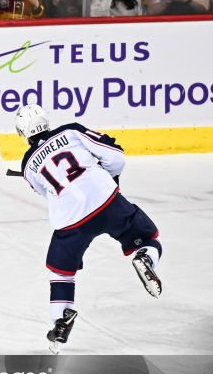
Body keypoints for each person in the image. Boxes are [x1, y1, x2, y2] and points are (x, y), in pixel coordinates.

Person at [12, 105, 162, 352]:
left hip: (71, 221)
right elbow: (116, 156)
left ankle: (60, 323)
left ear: (22, 132)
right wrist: (108, 179)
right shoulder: (71, 132)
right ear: (46, 122)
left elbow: (45, 191)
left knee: (61, 274)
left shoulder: (28, 164)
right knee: (149, 238)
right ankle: (145, 257)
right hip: (107, 201)